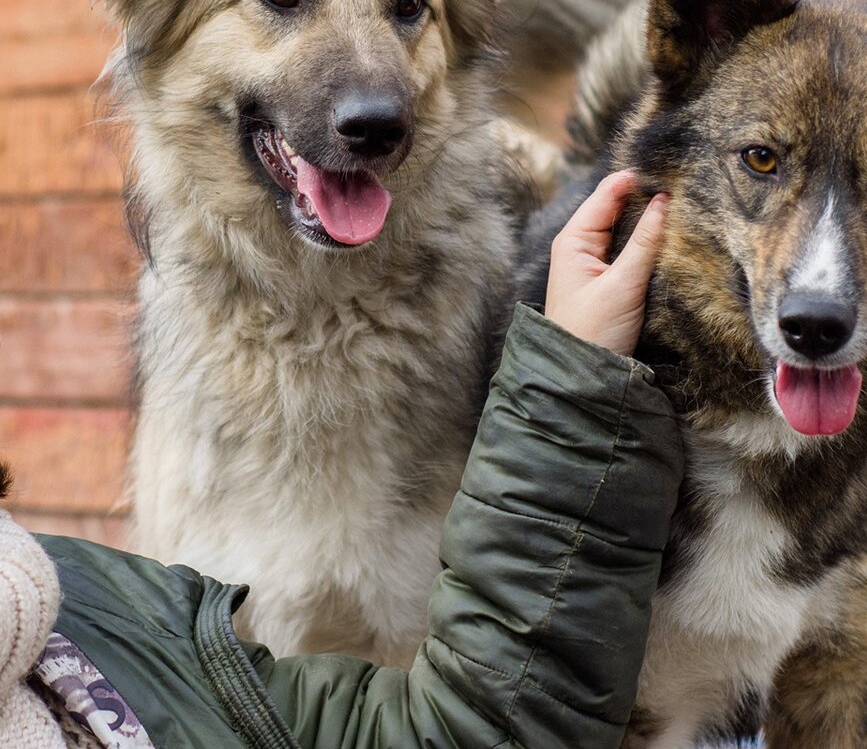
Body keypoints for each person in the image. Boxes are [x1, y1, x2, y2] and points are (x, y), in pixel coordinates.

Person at [1, 172, 678, 749]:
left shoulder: (73, 609)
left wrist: (572, 375)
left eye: (409, 7)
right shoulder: (89, 610)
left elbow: (450, 724)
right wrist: (572, 382)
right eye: (280, 3)